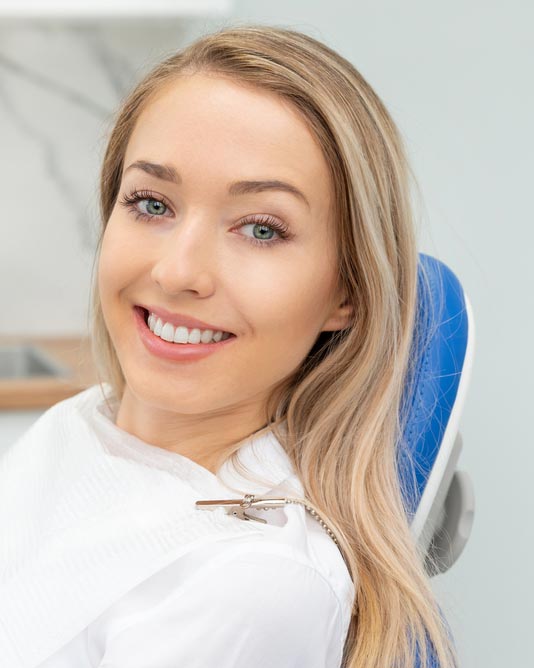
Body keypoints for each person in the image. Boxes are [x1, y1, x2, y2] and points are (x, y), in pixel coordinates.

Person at [0, 25, 459, 668]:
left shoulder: (249, 585)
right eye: (152, 203)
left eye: (262, 229)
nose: (177, 272)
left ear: (346, 291)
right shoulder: (81, 423)